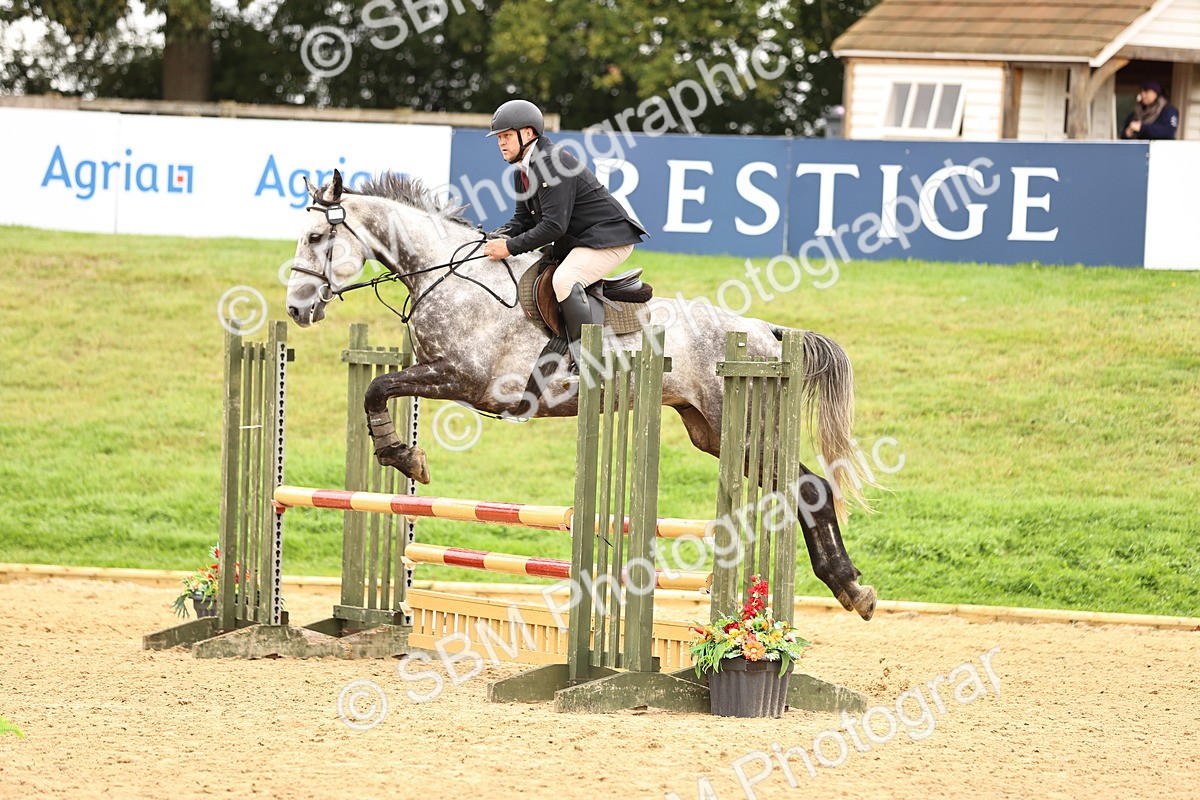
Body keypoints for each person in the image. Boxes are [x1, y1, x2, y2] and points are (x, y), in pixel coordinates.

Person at [481, 99, 647, 373]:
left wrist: (509, 248)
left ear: (528, 133)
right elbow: (522, 220)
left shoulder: (552, 163)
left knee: (565, 280)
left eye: (507, 135)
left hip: (608, 239)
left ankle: (588, 362)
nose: (501, 143)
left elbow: (553, 227)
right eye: (499, 137)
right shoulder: (523, 170)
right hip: (582, 240)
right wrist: (490, 238)